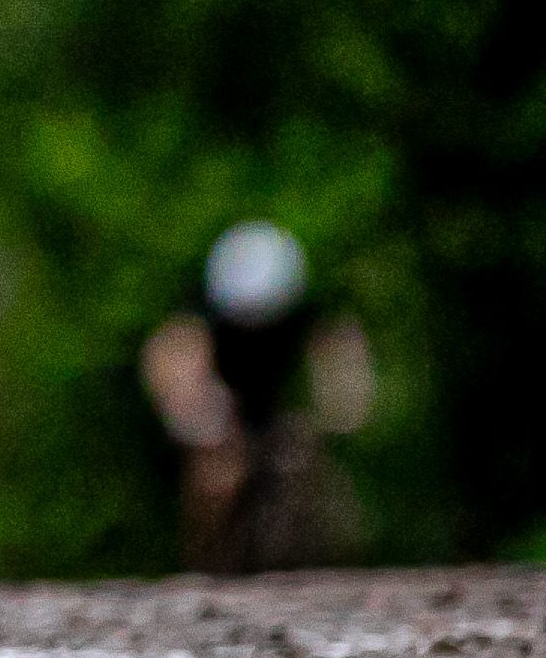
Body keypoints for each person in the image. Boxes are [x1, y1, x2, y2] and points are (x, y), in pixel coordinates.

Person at [139, 219, 378, 575]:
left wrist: (339, 411)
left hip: (281, 408)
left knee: (318, 481)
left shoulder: (304, 310)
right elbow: (174, 357)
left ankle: (322, 562)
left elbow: (341, 358)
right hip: (226, 408)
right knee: (216, 477)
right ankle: (209, 565)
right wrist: (194, 412)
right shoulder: (201, 316)